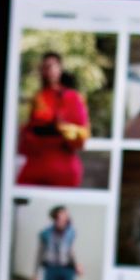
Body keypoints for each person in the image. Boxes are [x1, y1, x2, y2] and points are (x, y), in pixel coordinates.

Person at [15, 52, 90, 187]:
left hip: (63, 163)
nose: (48, 71)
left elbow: (81, 134)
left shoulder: (72, 97)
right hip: (37, 161)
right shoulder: (39, 96)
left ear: (60, 68)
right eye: (44, 67)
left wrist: (61, 128)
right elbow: (30, 129)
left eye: (52, 66)